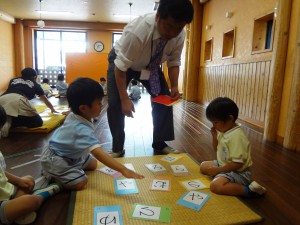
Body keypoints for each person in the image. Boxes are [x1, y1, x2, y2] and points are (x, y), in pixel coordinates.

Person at [107, 0, 194, 157]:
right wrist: (125, 99)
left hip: (151, 67)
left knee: (164, 100)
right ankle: (117, 148)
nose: (173, 33)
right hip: (123, 64)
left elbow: (174, 62)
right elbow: (120, 68)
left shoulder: (179, 34)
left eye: (178, 28)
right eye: (168, 27)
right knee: (115, 103)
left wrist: (174, 86)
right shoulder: (138, 32)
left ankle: (160, 143)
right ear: (157, 17)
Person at [40, 78, 144, 191]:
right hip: (56, 159)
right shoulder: (81, 130)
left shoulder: (76, 113)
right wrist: (123, 169)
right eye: (99, 103)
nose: (102, 104)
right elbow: (99, 154)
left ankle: (71, 168)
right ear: (83, 108)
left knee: (93, 164)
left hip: (69, 153)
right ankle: (51, 174)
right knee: (81, 182)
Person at [0, 105, 62, 225]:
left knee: (28, 180)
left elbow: (2, 171)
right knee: (30, 202)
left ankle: (17, 211)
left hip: (9, 193)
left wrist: (18, 181)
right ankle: (41, 195)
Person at [200, 97, 267, 197]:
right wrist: (214, 137)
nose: (213, 125)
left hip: (239, 172)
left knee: (215, 186)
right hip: (225, 164)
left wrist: (218, 170)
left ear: (230, 119)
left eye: (216, 122)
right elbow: (216, 149)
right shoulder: (224, 130)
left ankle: (250, 191)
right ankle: (223, 177)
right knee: (203, 166)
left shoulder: (237, 137)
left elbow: (237, 164)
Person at [0, 67, 58, 137]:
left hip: (2, 99)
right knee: (37, 122)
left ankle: (6, 120)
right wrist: (52, 109)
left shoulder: (13, 80)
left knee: (8, 111)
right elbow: (45, 100)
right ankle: (12, 122)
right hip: (18, 99)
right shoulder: (35, 84)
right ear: (34, 77)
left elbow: (10, 92)